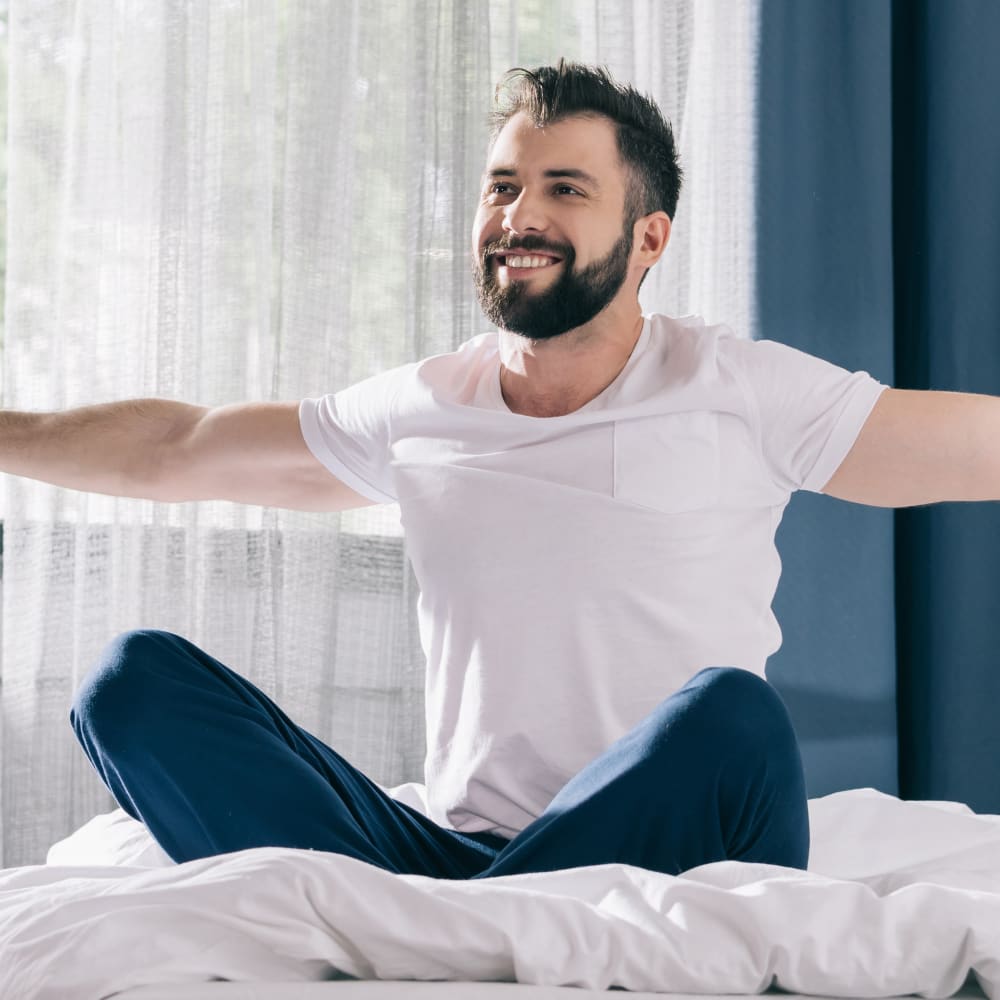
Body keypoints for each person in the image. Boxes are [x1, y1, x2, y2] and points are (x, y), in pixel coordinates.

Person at [2, 60, 996, 880]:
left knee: (730, 717)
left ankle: (457, 922)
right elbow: (179, 447)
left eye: (565, 188)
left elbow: (969, 444)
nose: (519, 215)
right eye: (502, 186)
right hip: (456, 851)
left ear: (649, 237)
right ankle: (478, 913)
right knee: (130, 683)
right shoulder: (424, 406)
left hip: (671, 857)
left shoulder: (737, 388)